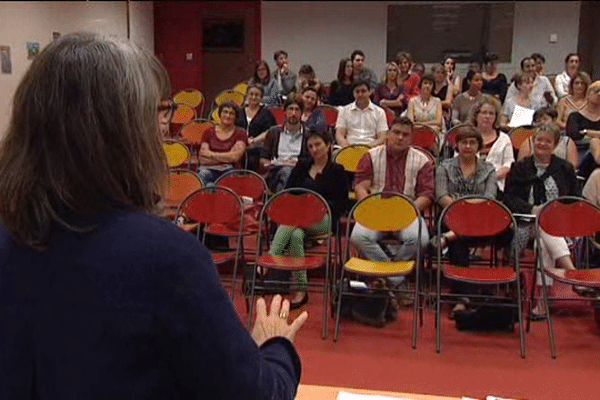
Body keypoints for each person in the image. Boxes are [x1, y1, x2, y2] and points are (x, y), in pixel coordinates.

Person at [0, 32, 307, 399]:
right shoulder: (165, 256)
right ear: (126, 134)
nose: (163, 130)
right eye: (156, 114)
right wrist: (274, 346)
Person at [503, 123, 579, 319]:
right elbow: (508, 199)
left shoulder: (565, 168)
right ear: (532, 141)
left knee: (544, 242)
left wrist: (555, 214)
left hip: (556, 225)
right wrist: (532, 209)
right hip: (522, 222)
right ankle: (572, 275)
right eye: (539, 140)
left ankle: (542, 305)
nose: (542, 144)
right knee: (544, 228)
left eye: (547, 141)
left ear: (554, 145)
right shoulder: (520, 168)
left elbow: (574, 200)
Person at [350, 116, 434, 291]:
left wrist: (407, 211)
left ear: (411, 138)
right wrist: (370, 208)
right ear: (388, 134)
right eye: (396, 132)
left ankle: (386, 277)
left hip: (408, 211)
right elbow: (360, 186)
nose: (400, 137)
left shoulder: (422, 160)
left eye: (405, 134)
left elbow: (426, 194)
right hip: (376, 210)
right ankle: (397, 281)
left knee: (421, 239)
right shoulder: (370, 156)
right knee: (358, 237)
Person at [268, 129, 349, 309]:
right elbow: (289, 194)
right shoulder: (302, 167)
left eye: (318, 144)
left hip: (324, 221)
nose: (314, 149)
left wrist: (314, 207)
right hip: (300, 220)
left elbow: (341, 204)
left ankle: (272, 257)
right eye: (310, 146)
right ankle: (301, 290)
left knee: (294, 222)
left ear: (328, 146)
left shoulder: (337, 171)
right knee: (296, 235)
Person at [433, 126, 501, 317]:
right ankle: (462, 297)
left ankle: (462, 297)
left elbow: (489, 197)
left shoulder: (489, 169)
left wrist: (469, 209)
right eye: (464, 142)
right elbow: (441, 196)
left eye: (472, 142)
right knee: (458, 243)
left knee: (459, 238)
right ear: (457, 145)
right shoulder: (444, 167)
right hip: (451, 215)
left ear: (479, 146)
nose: (468, 146)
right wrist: (464, 208)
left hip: (482, 218)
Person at [260, 97, 309, 193]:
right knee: (286, 172)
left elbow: (311, 161)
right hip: (276, 171)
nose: (293, 113)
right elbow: (263, 159)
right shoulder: (273, 132)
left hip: (300, 173)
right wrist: (270, 164)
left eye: (297, 110)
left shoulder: (308, 134)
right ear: (285, 112)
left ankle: (282, 200)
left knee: (289, 173)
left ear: (301, 113)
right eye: (291, 109)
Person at [469, 96, 514, 193]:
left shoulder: (504, 139)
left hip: (497, 185)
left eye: (491, 113)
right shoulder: (467, 137)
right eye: (484, 112)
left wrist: (492, 177)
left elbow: (509, 164)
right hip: (470, 184)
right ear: (476, 115)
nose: (487, 116)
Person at [198, 101, 247, 186]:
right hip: (208, 169)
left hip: (230, 170)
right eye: (225, 112)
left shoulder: (240, 133)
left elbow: (235, 157)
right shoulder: (208, 132)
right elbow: (202, 159)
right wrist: (227, 157)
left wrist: (210, 154)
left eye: (232, 113)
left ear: (236, 117)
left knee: (229, 181)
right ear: (220, 114)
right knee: (203, 178)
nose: (228, 116)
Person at [335, 80, 388, 148]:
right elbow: (339, 134)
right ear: (353, 94)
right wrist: (347, 146)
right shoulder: (344, 111)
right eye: (357, 92)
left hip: (372, 149)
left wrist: (367, 147)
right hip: (349, 148)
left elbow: (382, 137)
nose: (360, 94)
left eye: (363, 91)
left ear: (369, 92)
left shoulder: (380, 112)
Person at [236, 83, 277, 171]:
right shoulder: (239, 112)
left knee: (252, 158)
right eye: (251, 94)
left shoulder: (267, 114)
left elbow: (271, 131)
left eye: (257, 95)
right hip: (239, 145)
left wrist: (255, 140)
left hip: (258, 147)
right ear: (247, 95)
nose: (254, 97)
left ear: (261, 97)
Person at [566, 80, 600, 180]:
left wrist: (586, 132)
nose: (599, 94)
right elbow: (574, 134)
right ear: (587, 95)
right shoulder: (575, 116)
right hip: (581, 151)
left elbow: (581, 133)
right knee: (595, 142)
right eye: (596, 90)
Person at [406, 73, 443, 152]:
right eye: (425, 83)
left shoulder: (437, 101)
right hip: (416, 132)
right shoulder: (412, 101)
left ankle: (435, 159)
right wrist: (427, 125)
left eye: (430, 84)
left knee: (433, 133)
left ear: (433, 87)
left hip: (433, 132)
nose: (427, 86)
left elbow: (438, 122)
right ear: (421, 85)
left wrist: (422, 125)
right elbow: (411, 122)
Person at [431, 63, 454, 131]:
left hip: (443, 113)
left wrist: (433, 103)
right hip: (430, 112)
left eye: (442, 73)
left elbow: (448, 103)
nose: (440, 75)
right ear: (433, 74)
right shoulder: (430, 86)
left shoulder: (449, 87)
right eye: (437, 72)